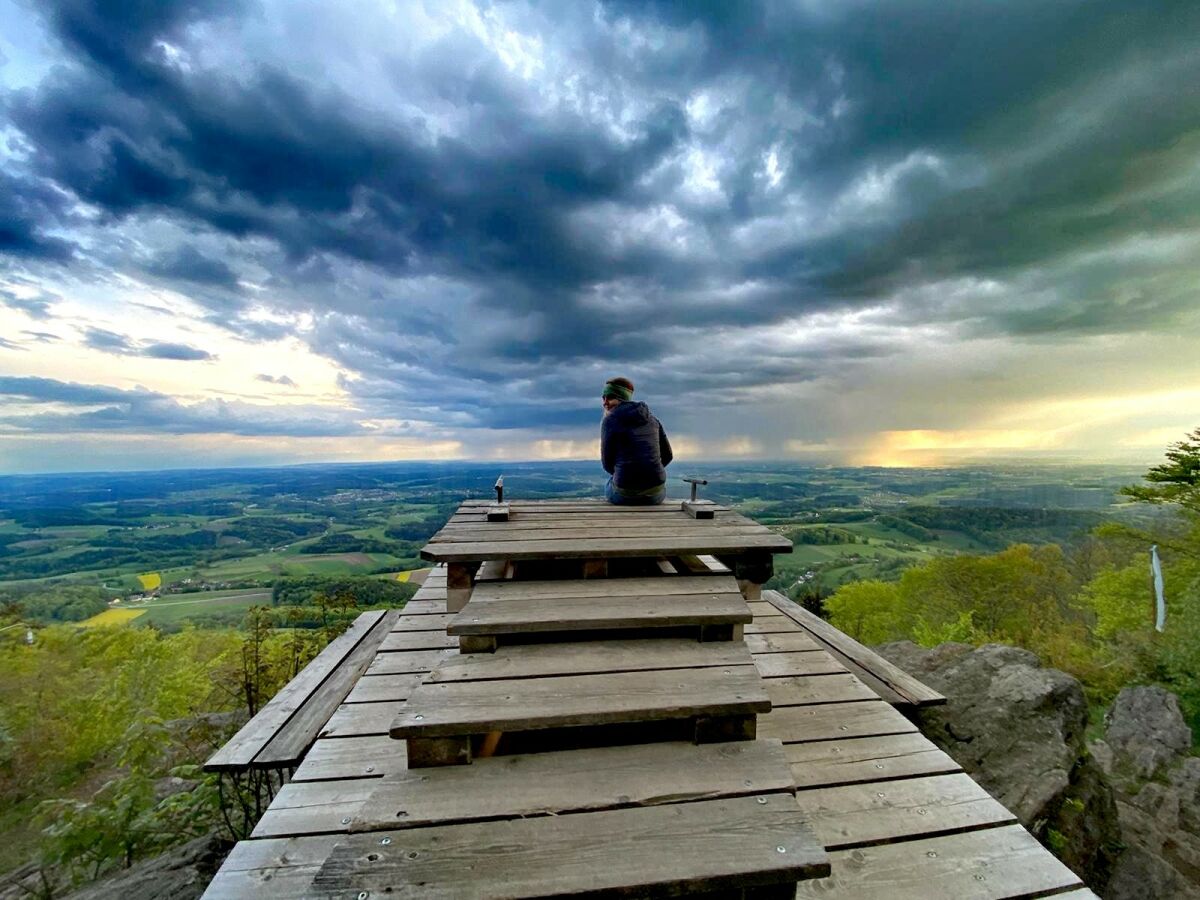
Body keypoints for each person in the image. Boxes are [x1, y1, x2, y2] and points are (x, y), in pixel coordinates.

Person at [600, 377, 673, 505]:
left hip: (625, 495)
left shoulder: (609, 421)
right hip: (656, 494)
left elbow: (607, 463)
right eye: (603, 397)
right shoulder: (653, 420)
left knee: (608, 484)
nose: (605, 402)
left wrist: (627, 476)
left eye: (610, 397)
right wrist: (650, 472)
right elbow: (668, 456)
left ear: (622, 399)